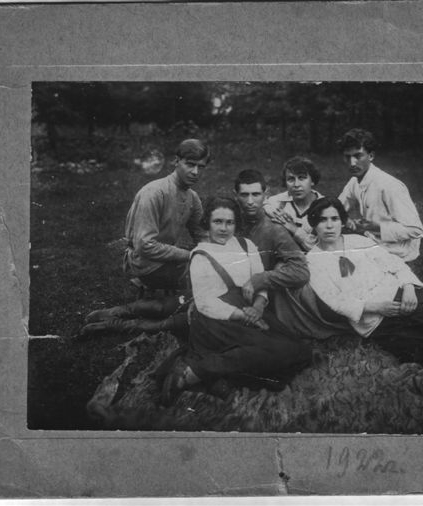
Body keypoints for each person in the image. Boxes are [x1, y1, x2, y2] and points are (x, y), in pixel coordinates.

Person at [300, 197, 423, 365]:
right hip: (374, 320)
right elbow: (335, 301)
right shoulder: (312, 262)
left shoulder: (359, 242)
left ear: (342, 221)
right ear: (314, 224)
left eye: (334, 219)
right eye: (322, 220)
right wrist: (377, 307)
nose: (329, 226)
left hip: (399, 294)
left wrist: (408, 288)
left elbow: (394, 262)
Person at [159, 197, 312, 405]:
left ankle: (211, 371)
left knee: (300, 351)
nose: (224, 228)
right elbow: (205, 302)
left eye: (229, 222)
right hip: (216, 320)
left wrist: (258, 306)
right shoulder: (200, 255)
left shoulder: (246, 245)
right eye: (218, 222)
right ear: (207, 223)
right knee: (272, 352)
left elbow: (259, 279)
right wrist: (243, 315)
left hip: (249, 310)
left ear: (236, 224)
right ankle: (196, 372)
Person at [123, 138, 209, 290]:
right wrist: (190, 255)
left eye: (200, 167)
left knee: (217, 271)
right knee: (204, 279)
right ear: (176, 161)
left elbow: (201, 234)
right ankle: (148, 290)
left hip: (166, 257)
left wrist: (212, 252)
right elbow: (145, 246)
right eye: (190, 164)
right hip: (145, 263)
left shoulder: (193, 197)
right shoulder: (154, 192)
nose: (195, 172)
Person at [337, 128, 423, 262]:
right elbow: (337, 207)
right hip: (372, 242)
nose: (352, 163)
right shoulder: (354, 181)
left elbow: (416, 230)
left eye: (358, 156)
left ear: (371, 156)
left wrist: (376, 227)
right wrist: (345, 218)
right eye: (347, 157)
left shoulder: (389, 185)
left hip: (398, 251)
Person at [233, 169, 310, 305]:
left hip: (261, 299)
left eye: (256, 194)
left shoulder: (274, 228)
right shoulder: (229, 222)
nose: (250, 201)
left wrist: (261, 279)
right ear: (236, 195)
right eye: (244, 195)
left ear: (266, 194)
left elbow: (301, 271)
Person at [263, 156, 325, 251]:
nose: (296, 185)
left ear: (312, 181)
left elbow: (321, 249)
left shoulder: (325, 207)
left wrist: (293, 228)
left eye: (302, 178)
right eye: (291, 179)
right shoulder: (277, 202)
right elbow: (263, 204)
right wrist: (270, 211)